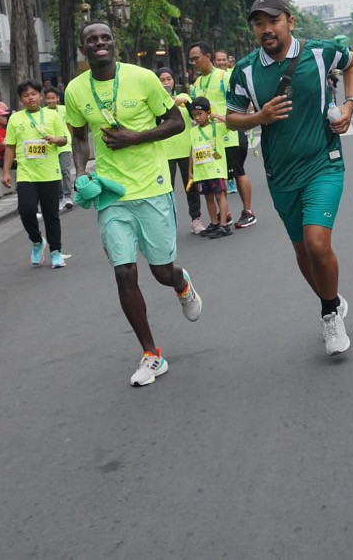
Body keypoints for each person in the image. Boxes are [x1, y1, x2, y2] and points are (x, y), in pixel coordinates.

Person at [65, 22, 201, 387]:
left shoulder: (143, 79)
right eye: (91, 39)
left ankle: (181, 283)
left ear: (114, 44)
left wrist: (136, 137)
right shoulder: (76, 90)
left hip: (152, 186)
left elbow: (175, 123)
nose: (99, 43)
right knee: (124, 271)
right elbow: (78, 136)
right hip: (112, 192)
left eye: (105, 38)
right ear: (83, 47)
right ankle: (151, 354)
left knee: (161, 272)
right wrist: (80, 172)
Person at [225, 0, 353, 356]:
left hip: (323, 161)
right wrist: (259, 118)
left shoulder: (319, 52)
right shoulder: (246, 70)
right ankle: (332, 298)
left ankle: (329, 314)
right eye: (258, 23)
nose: (266, 29)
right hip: (280, 171)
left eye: (273, 21)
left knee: (317, 243)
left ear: (290, 21)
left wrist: (349, 104)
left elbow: (352, 63)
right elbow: (232, 116)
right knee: (302, 250)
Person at [188, 41, 257, 230]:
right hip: (211, 140)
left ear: (207, 57)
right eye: (190, 60)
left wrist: (234, 119)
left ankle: (248, 211)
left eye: (196, 58)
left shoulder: (224, 77)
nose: (193, 63)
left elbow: (245, 100)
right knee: (218, 175)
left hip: (230, 133)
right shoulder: (196, 84)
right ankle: (223, 215)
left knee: (238, 172)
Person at [3, 82, 68, 269]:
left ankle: (56, 252)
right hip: (26, 174)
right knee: (26, 210)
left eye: (33, 94)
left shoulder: (52, 115)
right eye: (25, 95)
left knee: (51, 215)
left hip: (49, 173)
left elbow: (64, 139)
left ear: (40, 96)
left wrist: (56, 139)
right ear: (21, 99)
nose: (30, 97)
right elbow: (10, 147)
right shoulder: (15, 119)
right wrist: (6, 171)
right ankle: (37, 241)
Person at [158, 67, 203, 235]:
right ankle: (167, 222)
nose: (166, 82)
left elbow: (197, 116)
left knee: (191, 186)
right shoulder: (155, 102)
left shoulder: (183, 100)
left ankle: (196, 219)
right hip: (165, 151)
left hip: (186, 150)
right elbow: (154, 121)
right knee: (165, 190)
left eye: (168, 78)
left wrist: (188, 103)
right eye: (162, 79)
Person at [186, 96, 232, 239]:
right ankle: (214, 222)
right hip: (201, 171)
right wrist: (190, 171)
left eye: (200, 114)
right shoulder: (193, 131)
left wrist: (216, 116)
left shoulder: (217, 127)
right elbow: (192, 150)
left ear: (207, 112)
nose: (197, 118)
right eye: (194, 115)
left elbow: (231, 123)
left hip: (215, 169)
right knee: (208, 197)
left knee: (219, 195)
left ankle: (224, 225)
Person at [42, 86, 74, 211]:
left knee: (65, 170)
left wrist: (69, 139)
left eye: (53, 98)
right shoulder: (42, 112)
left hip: (65, 144)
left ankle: (67, 196)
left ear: (58, 98)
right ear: (45, 100)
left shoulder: (64, 110)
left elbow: (69, 125)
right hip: (51, 146)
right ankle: (59, 198)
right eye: (48, 99)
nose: (51, 101)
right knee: (56, 172)